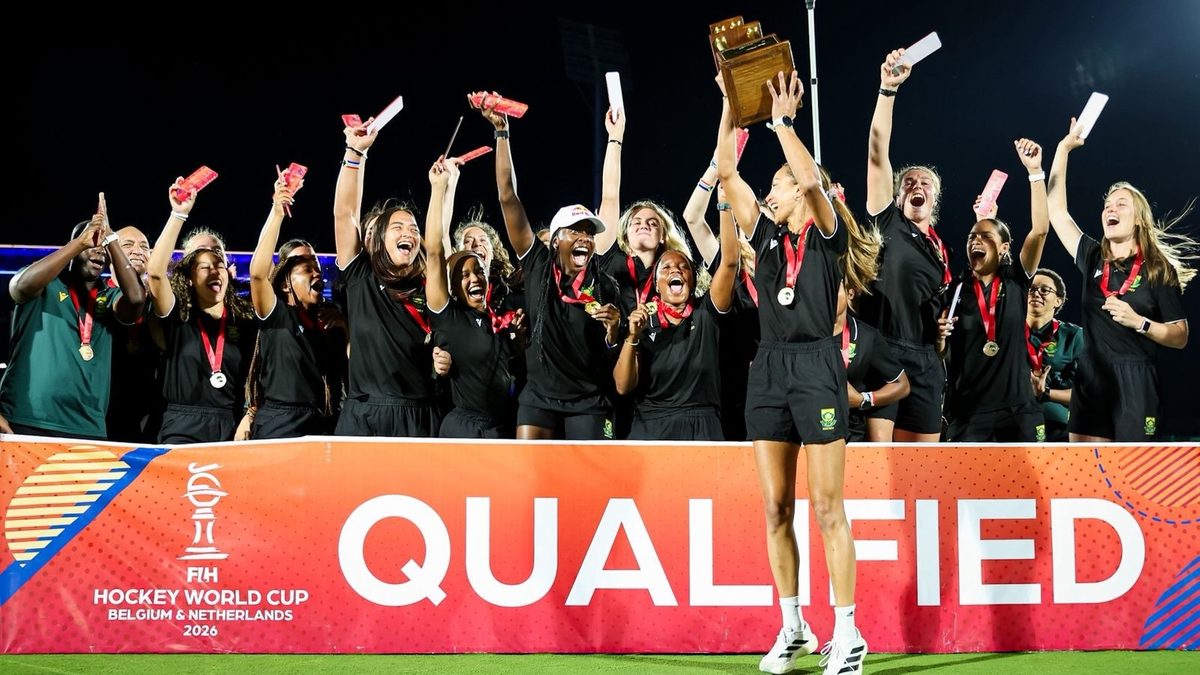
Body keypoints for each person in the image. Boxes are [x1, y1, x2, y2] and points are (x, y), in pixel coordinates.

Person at [718, 72, 866, 675]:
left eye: (775, 186)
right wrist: (729, 105)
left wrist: (782, 123)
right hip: (770, 369)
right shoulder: (767, 238)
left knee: (827, 508)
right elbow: (727, 172)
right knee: (776, 507)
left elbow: (809, 180)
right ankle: (793, 626)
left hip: (817, 366)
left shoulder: (829, 235)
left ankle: (848, 633)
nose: (769, 194)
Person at [474, 96, 623, 440]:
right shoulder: (538, 265)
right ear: (556, 241)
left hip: (589, 401)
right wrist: (502, 133)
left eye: (589, 233)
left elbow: (611, 198)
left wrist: (614, 330)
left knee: (589, 476)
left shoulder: (603, 283)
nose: (584, 237)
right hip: (539, 398)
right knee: (530, 472)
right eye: (575, 231)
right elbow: (508, 197)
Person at [1046, 119, 1193, 440]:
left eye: (1120, 204)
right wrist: (1063, 149)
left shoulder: (1156, 269)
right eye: (1107, 205)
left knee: (1130, 467)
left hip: (1136, 380)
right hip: (1091, 378)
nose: (1110, 209)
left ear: (1138, 218)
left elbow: (1181, 335)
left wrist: (1140, 322)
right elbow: (1056, 211)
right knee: (1085, 466)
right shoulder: (1092, 256)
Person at [860, 47, 953, 443]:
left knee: (924, 468)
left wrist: (941, 335)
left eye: (925, 183)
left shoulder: (944, 252)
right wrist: (888, 90)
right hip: (884, 351)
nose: (917, 186)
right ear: (896, 197)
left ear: (935, 199)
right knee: (880, 465)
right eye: (908, 183)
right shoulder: (888, 222)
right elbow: (877, 153)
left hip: (926, 360)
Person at [0, 194, 145, 438]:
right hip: (24, 419)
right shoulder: (45, 284)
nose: (98, 251)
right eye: (91, 244)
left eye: (104, 248)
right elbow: (20, 286)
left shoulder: (110, 296)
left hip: (86, 426)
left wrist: (111, 238)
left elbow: (137, 299)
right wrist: (80, 243)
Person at [333, 115, 440, 436]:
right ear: (379, 238)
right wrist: (356, 153)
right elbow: (345, 215)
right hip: (364, 415)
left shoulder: (430, 284)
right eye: (398, 227)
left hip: (419, 414)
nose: (409, 232)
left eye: (414, 228)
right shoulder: (360, 274)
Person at [940, 138, 1050, 442]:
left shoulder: (1016, 279)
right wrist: (938, 338)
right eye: (972, 236)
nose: (976, 240)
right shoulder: (955, 290)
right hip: (969, 413)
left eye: (986, 237)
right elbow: (940, 352)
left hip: (1018, 411)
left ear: (1003, 248)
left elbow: (1040, 230)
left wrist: (1035, 172)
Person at [613, 184, 738, 440]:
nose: (676, 270)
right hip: (651, 423)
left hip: (702, 422)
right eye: (666, 268)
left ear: (693, 279)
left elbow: (729, 263)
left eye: (683, 267)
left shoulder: (707, 312)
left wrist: (725, 206)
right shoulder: (643, 320)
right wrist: (632, 337)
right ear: (657, 284)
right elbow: (623, 387)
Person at [147, 179, 256, 443]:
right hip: (182, 427)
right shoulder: (177, 315)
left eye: (218, 258)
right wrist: (178, 214)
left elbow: (260, 376)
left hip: (232, 426)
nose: (213, 268)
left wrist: (250, 414)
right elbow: (156, 273)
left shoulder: (245, 319)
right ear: (187, 274)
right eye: (202, 261)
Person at [426, 157, 526, 437]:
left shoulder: (498, 320)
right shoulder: (449, 316)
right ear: (451, 286)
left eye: (479, 271)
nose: (473, 278)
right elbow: (435, 250)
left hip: (502, 426)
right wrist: (439, 188)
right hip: (465, 428)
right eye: (463, 275)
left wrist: (519, 341)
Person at [246, 175, 346, 439]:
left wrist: (345, 328)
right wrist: (277, 212)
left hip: (324, 422)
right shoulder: (277, 314)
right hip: (281, 424)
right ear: (284, 283)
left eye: (316, 266)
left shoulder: (331, 317)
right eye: (304, 267)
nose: (316, 273)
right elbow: (258, 274)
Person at [105, 225, 164, 443]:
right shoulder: (96, 297)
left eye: (144, 247)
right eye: (128, 245)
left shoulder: (161, 302)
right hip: (106, 408)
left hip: (152, 412)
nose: (138, 251)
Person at [836, 282, 910, 443]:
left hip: (852, 427)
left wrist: (863, 399)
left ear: (850, 294)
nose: (827, 296)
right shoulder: (804, 334)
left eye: (834, 289)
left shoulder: (866, 336)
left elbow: (902, 385)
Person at [1025, 268, 1084, 441]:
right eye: (1031, 289)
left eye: (1044, 290)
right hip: (1011, 421)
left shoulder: (1074, 336)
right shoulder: (1007, 333)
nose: (1036, 293)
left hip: (1056, 425)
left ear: (1058, 300)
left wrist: (1045, 392)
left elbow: (1088, 393)